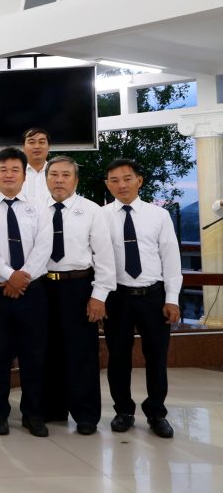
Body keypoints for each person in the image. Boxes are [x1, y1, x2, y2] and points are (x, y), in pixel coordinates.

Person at [0, 147, 53, 437]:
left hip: (32, 291)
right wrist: (10, 276)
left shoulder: (39, 208)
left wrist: (22, 278)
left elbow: (44, 247)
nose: (9, 175)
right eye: (3, 170)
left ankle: (32, 414)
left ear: (24, 175)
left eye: (15, 170)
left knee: (34, 355)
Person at [102, 159, 182, 439]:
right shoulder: (100, 216)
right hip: (117, 297)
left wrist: (172, 298)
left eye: (127, 178)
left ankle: (157, 413)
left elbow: (171, 258)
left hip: (153, 296)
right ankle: (123, 411)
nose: (121, 185)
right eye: (114, 180)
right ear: (108, 185)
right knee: (118, 357)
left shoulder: (158, 215)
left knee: (157, 357)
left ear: (139, 181)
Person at [41, 156, 116, 435]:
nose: (59, 180)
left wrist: (99, 296)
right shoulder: (35, 209)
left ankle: (85, 414)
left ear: (76, 179)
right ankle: (52, 408)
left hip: (78, 286)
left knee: (81, 352)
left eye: (65, 175)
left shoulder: (91, 210)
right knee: (47, 348)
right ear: (46, 178)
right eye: (54, 174)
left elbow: (104, 256)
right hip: (43, 286)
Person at [20, 127, 52, 204]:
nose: (37, 146)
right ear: (23, 147)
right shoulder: (13, 174)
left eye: (41, 142)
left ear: (49, 147)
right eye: (31, 142)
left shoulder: (59, 173)